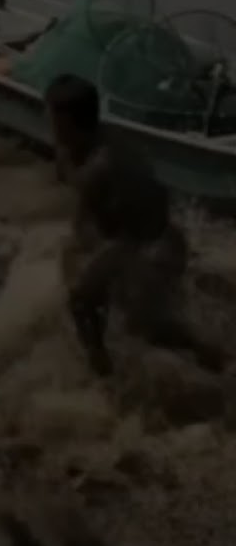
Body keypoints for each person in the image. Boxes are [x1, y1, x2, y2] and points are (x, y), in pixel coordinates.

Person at [46, 74, 223, 376]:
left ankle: (211, 360)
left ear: (70, 123)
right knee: (95, 300)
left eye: (53, 117)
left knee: (132, 322)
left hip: (150, 244)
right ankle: (105, 363)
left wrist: (102, 271)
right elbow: (86, 212)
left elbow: (143, 217)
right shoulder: (72, 148)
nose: (48, 123)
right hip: (123, 236)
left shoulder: (105, 163)